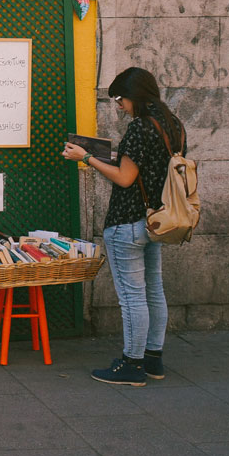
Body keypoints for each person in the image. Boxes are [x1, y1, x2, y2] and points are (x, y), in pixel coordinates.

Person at [64, 66, 185, 386]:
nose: (118, 105)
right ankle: (153, 360)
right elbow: (145, 162)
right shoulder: (172, 125)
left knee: (133, 297)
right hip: (156, 220)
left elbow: (126, 177)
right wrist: (102, 151)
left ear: (135, 97)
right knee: (154, 291)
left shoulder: (139, 128)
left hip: (127, 223)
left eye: (120, 99)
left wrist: (84, 158)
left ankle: (132, 364)